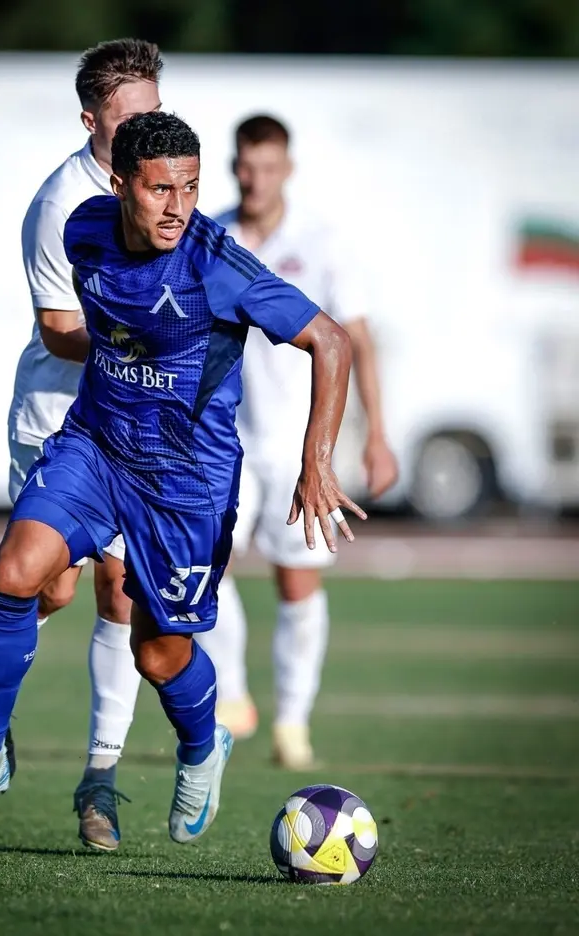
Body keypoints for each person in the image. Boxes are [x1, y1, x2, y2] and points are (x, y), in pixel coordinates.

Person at [0, 110, 366, 847]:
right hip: (96, 446)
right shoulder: (84, 230)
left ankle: (202, 746)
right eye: (160, 189)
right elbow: (95, 326)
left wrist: (316, 462)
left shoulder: (216, 263)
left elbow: (332, 340)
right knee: (14, 573)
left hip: (186, 481)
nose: (178, 206)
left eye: (190, 188)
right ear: (121, 184)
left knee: (157, 653)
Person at [0, 38, 163, 852]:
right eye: (129, 116)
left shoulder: (162, 187)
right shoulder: (60, 205)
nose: (146, 129)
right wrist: (143, 346)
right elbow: (57, 328)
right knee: (49, 590)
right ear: (90, 121)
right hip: (55, 416)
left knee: (123, 592)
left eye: (154, 112)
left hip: (127, 426)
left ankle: (99, 784)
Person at [198, 115, 398, 769]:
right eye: (246, 166)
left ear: (287, 169)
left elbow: (354, 339)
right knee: (205, 569)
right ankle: (233, 695)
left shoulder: (323, 241)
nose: (256, 179)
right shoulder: (213, 236)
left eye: (268, 167)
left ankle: (292, 722)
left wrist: (377, 435)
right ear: (233, 168)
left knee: (297, 583)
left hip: (299, 443)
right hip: (224, 439)